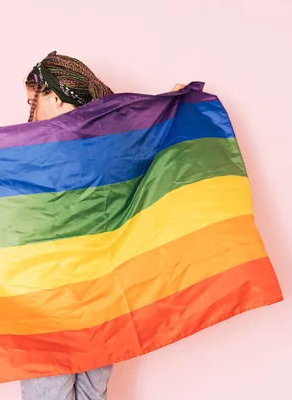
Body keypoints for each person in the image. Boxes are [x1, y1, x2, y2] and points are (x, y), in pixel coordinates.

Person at [21, 51, 185, 400]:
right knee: (75, 389)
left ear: (56, 96)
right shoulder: (107, 143)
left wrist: (173, 108)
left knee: (65, 389)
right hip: (82, 290)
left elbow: (150, 162)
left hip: (74, 291)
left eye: (33, 101)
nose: (30, 111)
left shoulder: (69, 145)